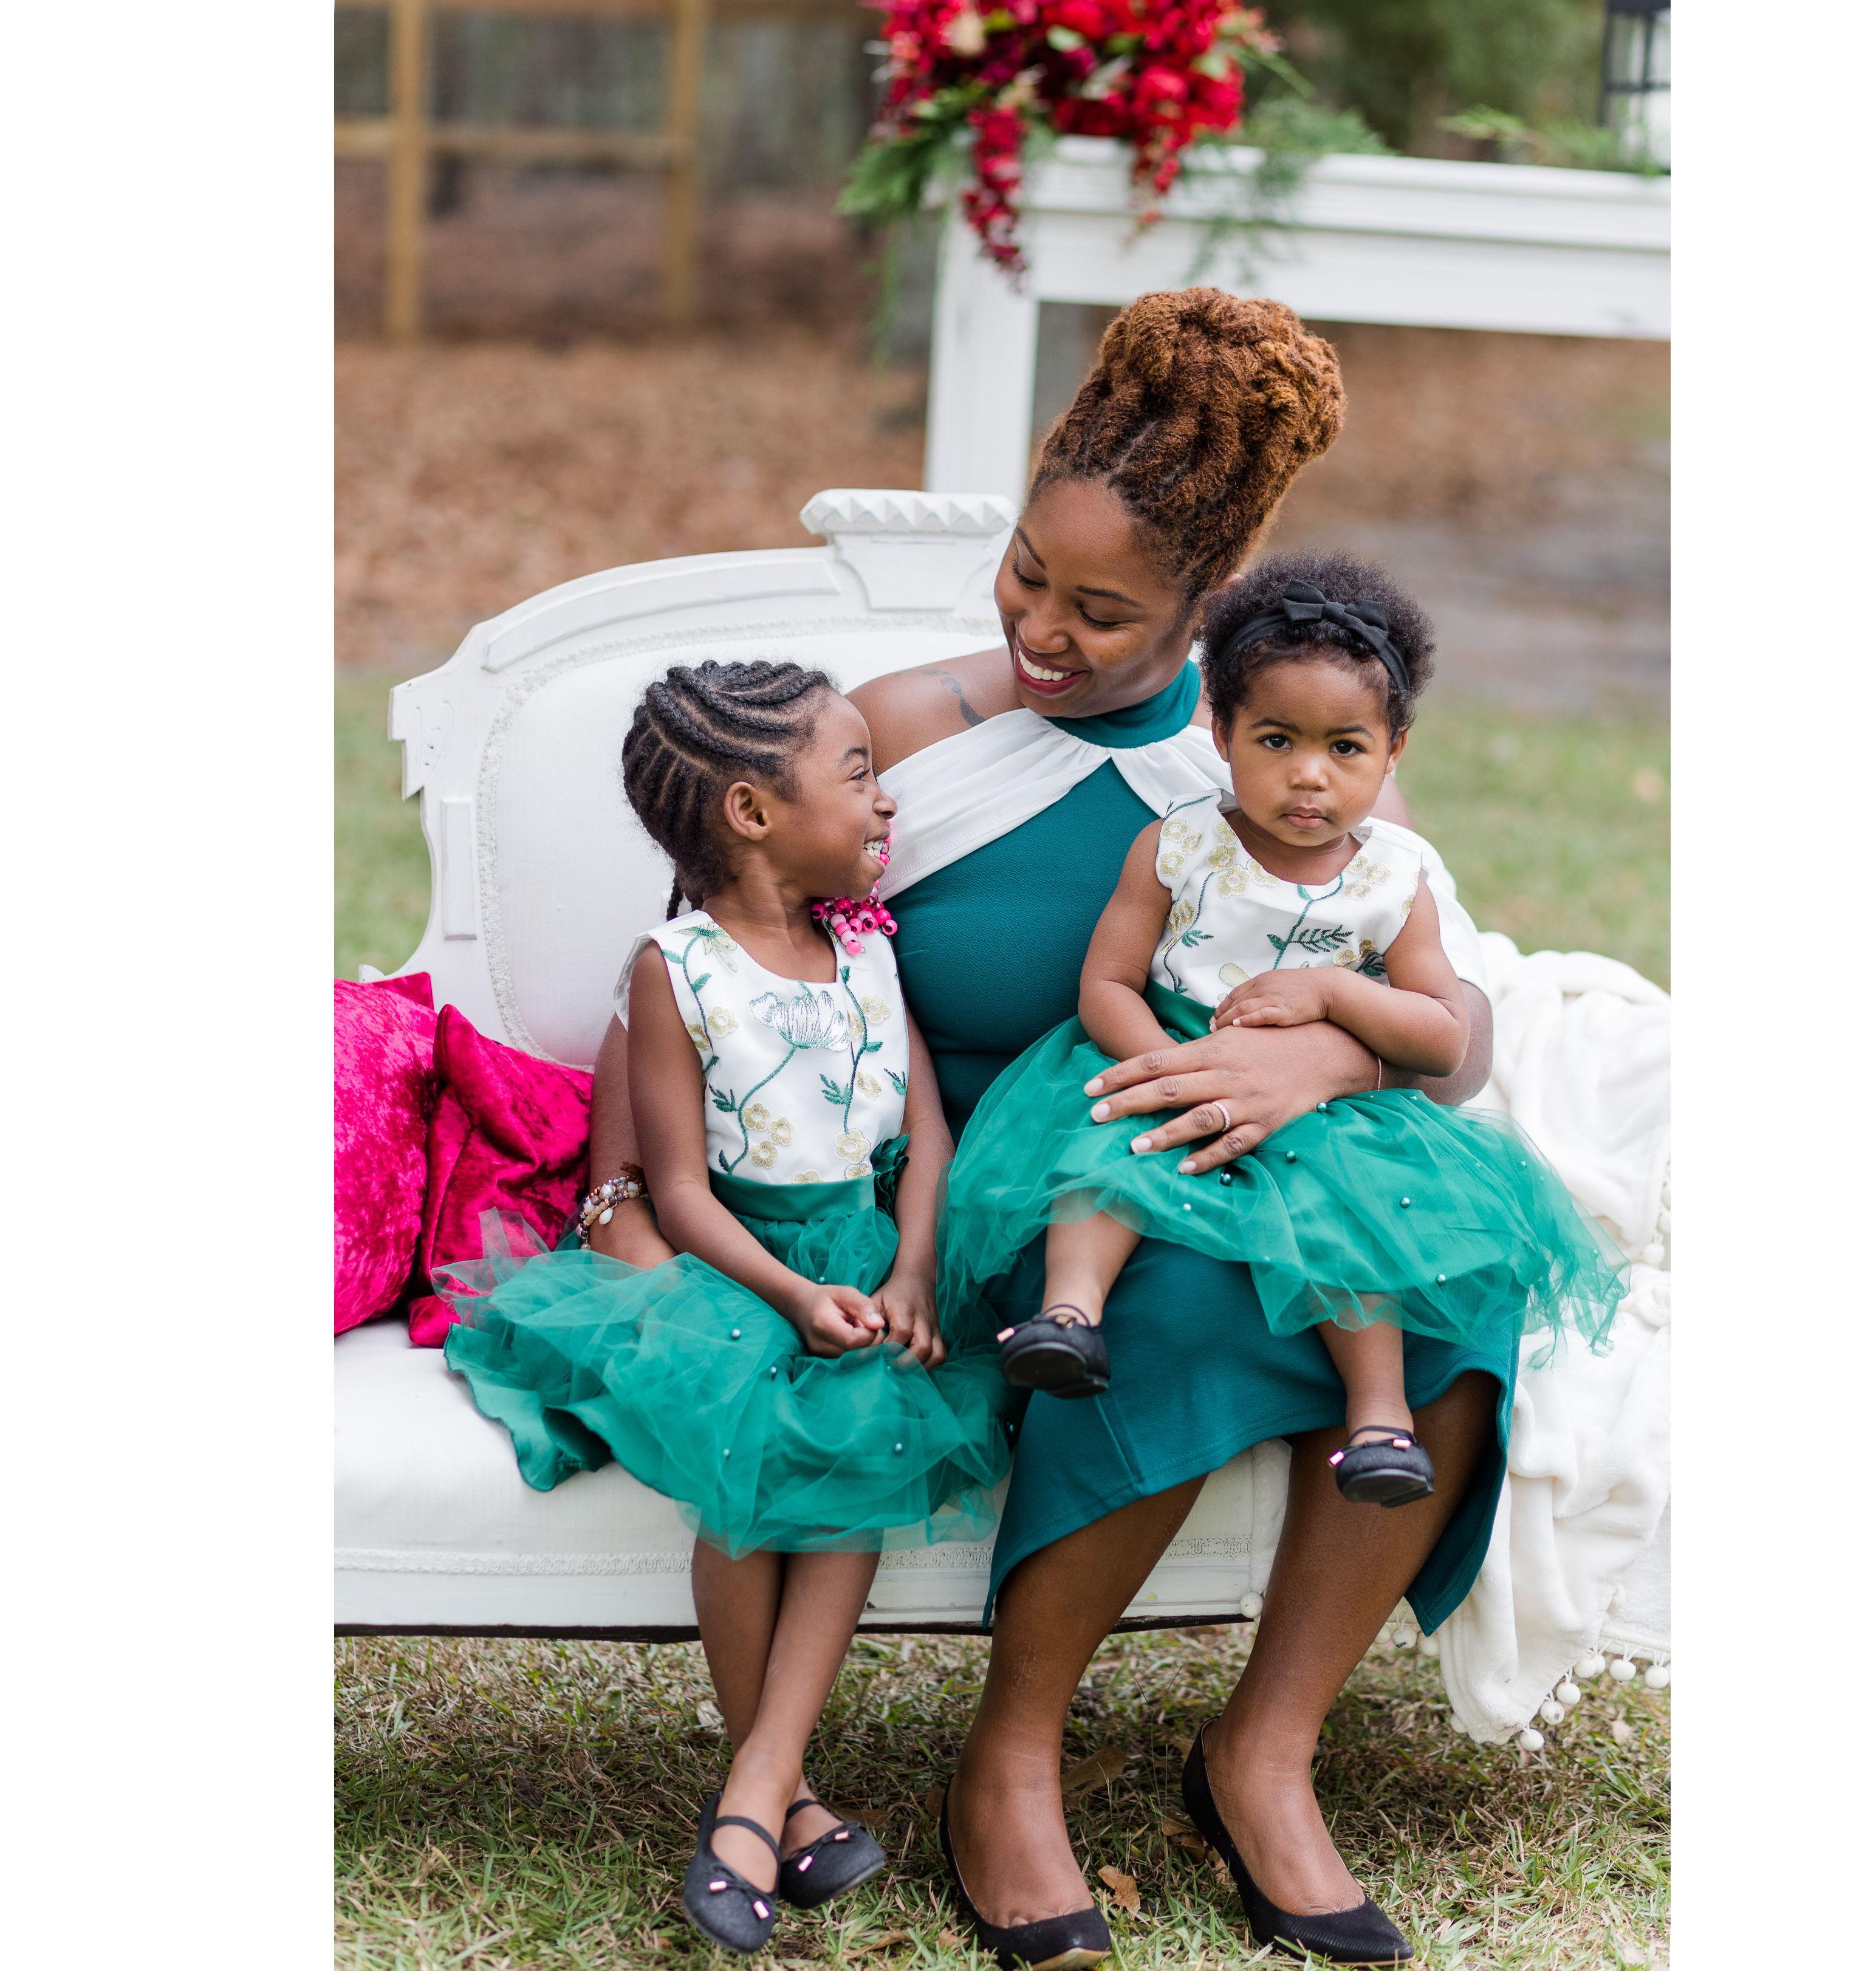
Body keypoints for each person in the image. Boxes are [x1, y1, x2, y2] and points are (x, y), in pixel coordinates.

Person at [586, 289, 1513, 1969]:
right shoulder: (906, 734)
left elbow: (1447, 1020)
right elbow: (699, 955)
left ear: (1206, 613)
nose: (1040, 628)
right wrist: (621, 1190)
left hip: (1247, 1141)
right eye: (1026, 574)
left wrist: (1324, 1063)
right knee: (1160, 1301)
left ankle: (1265, 1752)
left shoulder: (1273, 757)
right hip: (990, 1178)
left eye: (1102, 610)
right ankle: (1011, 1755)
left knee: (1457, 1286)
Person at [434, 660, 1009, 1956]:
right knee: (746, 1448)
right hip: (737, 1266)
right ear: (753, 813)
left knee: (861, 1435)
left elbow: (923, 1132)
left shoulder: (871, 946)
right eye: (859, 773)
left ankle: (758, 1791)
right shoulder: (676, 970)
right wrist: (792, 1295)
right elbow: (680, 1189)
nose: (886, 800)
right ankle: (778, 1797)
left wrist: (913, 1271)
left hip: (867, 1254)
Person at [936, 550, 1626, 1510]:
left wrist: (1336, 996)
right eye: (1275, 740)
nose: (1309, 776)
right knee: (1105, 1158)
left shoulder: (1393, 881)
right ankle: (1070, 1316)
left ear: (1394, 751)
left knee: (1358, 1222)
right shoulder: (1180, 844)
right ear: (1221, 732)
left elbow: (1442, 1037)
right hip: (1169, 1050)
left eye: (1345, 748)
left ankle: (1379, 1419)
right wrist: (1170, 1067)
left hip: (1323, 1105)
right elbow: (1108, 983)